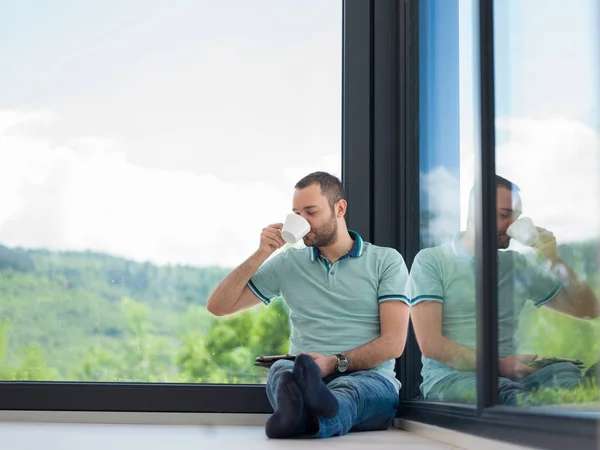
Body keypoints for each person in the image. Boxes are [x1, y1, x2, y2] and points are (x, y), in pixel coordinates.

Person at [207, 172, 410, 438]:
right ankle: (303, 413)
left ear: (340, 208)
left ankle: (301, 417)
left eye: (310, 212)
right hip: (304, 374)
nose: (302, 222)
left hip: (370, 379)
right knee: (282, 369)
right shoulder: (288, 264)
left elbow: (393, 343)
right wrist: (262, 253)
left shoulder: (386, 261)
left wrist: (335, 363)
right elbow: (219, 306)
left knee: (352, 392)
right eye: (296, 214)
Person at [410, 175, 599, 405]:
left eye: (517, 217)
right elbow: (431, 345)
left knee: (573, 385)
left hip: (514, 375)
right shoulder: (431, 261)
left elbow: (588, 310)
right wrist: (501, 365)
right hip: (453, 379)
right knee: (513, 398)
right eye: (503, 215)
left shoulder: (517, 265)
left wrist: (554, 260)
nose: (512, 225)